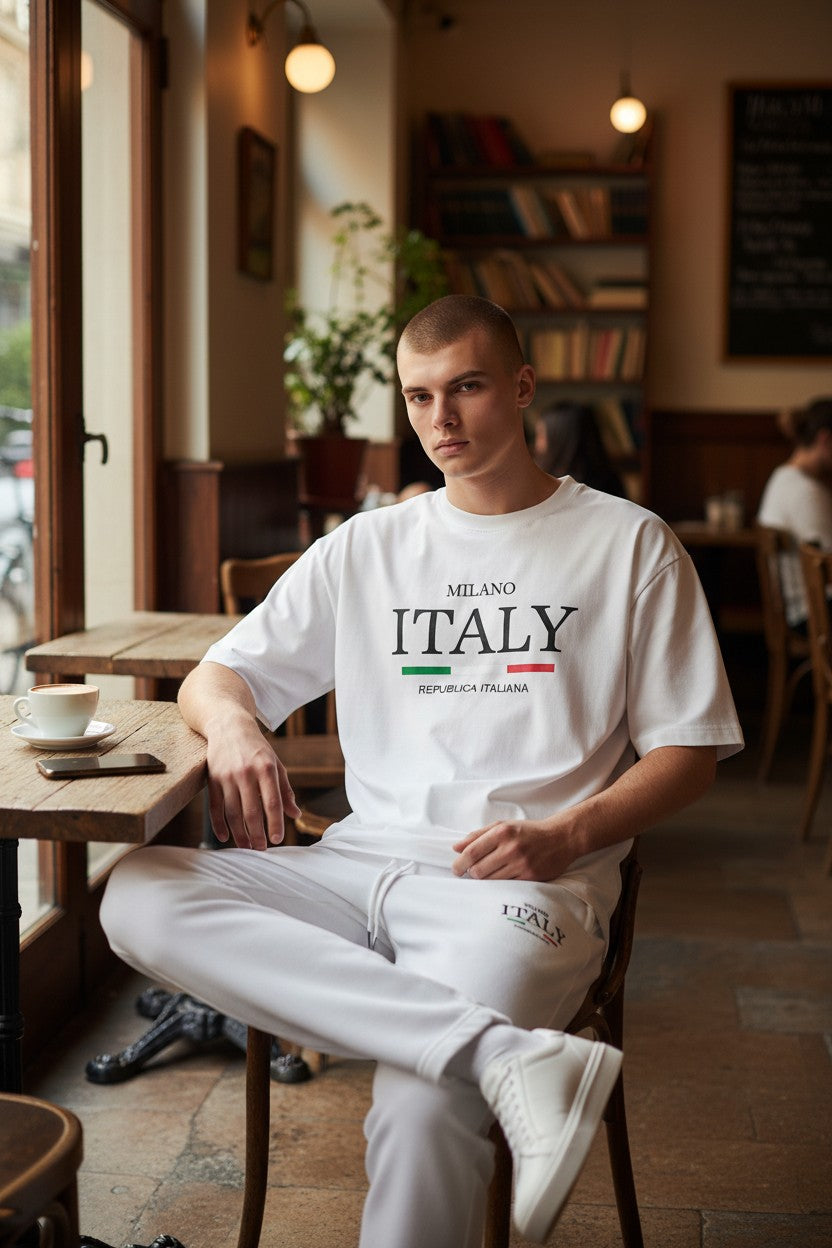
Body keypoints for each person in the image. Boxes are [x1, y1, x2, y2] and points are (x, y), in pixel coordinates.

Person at [100, 295, 743, 1248]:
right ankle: (515, 1059)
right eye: (418, 396)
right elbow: (217, 676)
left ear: (522, 388)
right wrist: (234, 730)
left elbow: (690, 756)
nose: (440, 419)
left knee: (423, 1102)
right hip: (356, 867)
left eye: (467, 387)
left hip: (523, 888)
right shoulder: (368, 547)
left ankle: (474, 1057)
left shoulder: (629, 544)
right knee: (139, 892)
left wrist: (569, 834)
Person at [757, 397, 832, 628]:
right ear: (825, 439)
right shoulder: (806, 492)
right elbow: (827, 566)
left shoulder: (782, 478)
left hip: (799, 609)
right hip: (812, 614)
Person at [533, 401, 627, 497]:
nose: (537, 446)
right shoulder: (611, 481)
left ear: (560, 440)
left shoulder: (551, 491)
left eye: (541, 436)